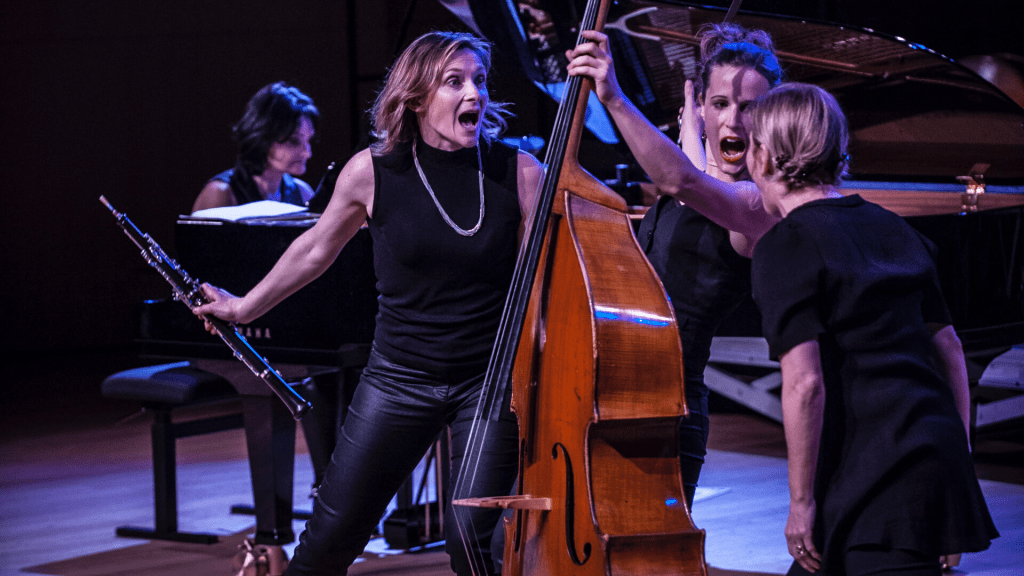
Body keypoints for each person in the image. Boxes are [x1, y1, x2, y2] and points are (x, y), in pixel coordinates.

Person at [193, 31, 545, 576]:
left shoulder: (520, 173)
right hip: (398, 377)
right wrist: (244, 308)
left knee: (472, 542)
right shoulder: (372, 171)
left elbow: (547, 281)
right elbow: (314, 249)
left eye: (479, 80)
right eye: (454, 82)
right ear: (417, 97)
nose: (474, 93)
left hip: (488, 383)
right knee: (330, 539)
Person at [746, 82, 998, 575]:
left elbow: (805, 383)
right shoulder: (894, 227)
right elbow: (949, 348)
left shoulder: (786, 244)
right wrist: (955, 463)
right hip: (922, 454)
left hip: (875, 473)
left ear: (767, 156)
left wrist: (800, 502)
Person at [567, 23, 783, 507]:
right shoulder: (703, 178)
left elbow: (683, 181)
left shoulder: (758, 204)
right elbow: (694, 174)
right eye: (720, 104)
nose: (733, 121)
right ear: (701, 107)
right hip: (609, 387)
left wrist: (614, 97)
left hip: (669, 408)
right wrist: (691, 127)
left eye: (750, 108)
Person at [192, 81, 319, 212]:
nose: (307, 153)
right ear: (264, 136)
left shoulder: (303, 193)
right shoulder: (220, 193)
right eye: (294, 140)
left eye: (309, 140)